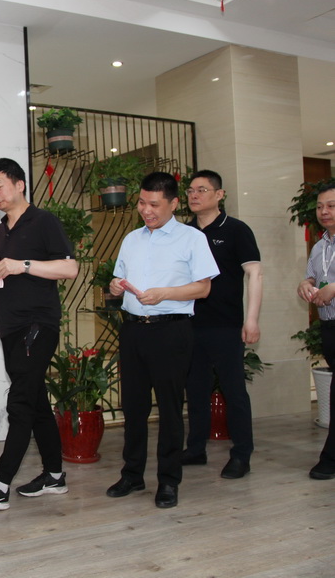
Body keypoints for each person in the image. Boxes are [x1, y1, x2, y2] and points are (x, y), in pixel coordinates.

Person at [0, 158, 78, 512]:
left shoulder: (44, 221)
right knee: (36, 400)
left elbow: (70, 268)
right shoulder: (1, 231)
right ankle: (54, 475)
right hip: (10, 328)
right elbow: (5, 275)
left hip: (37, 325)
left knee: (20, 402)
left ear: (20, 184)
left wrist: (22, 265)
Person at [106, 171, 218, 509]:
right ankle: (132, 474)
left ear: (173, 203)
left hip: (171, 330)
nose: (146, 210)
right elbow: (117, 279)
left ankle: (169, 480)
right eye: (142, 202)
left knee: (169, 408)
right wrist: (115, 286)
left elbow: (203, 287)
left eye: (154, 204)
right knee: (133, 406)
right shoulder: (131, 239)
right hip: (133, 330)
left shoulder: (191, 238)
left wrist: (165, 293)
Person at [183, 170, 262, 479]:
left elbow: (254, 273)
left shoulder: (236, 230)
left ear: (219, 195)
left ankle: (242, 454)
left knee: (234, 391)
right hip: (190, 324)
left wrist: (251, 319)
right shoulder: (184, 232)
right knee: (195, 390)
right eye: (190, 190)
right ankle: (195, 449)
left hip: (227, 325)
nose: (194, 195)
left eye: (202, 190)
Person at [297, 183, 335, 481]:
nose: (324, 211)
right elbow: (311, 277)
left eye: (331, 206)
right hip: (329, 324)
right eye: (320, 206)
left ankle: (329, 458)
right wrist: (305, 285)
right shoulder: (320, 246)